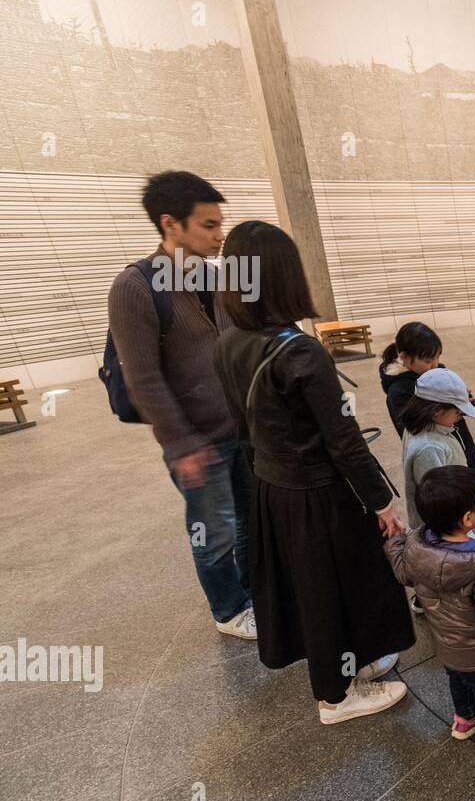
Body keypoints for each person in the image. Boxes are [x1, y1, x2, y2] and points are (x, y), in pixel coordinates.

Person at [213, 220, 413, 725]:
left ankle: (354, 663)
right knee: (334, 587)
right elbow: (343, 439)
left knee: (316, 587)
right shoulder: (298, 350)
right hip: (319, 494)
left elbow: (241, 428)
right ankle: (335, 696)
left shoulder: (230, 340)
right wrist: (382, 502)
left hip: (273, 487)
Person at [106, 171, 255, 640]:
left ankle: (255, 593)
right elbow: (143, 377)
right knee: (214, 532)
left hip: (242, 430)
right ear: (170, 224)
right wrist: (182, 443)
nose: (219, 234)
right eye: (208, 225)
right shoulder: (135, 286)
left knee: (250, 523)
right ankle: (229, 610)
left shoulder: (219, 277)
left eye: (220, 224)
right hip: (195, 439)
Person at [385, 465, 475, 755]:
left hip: (448, 649)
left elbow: (403, 571)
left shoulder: (416, 547)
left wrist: (395, 542)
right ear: (467, 517)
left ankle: (465, 719)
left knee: (459, 682)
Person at [378, 321, 475, 481]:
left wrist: (464, 402)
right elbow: (411, 430)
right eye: (428, 361)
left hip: (460, 443)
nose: (435, 364)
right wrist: (446, 408)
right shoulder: (398, 392)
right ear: (404, 357)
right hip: (440, 459)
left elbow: (453, 404)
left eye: (437, 357)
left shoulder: (436, 370)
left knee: (474, 487)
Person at [400, 367, 475, 530]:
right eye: (458, 411)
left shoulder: (419, 426)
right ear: (436, 411)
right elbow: (438, 503)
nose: (460, 417)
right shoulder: (429, 448)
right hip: (444, 531)